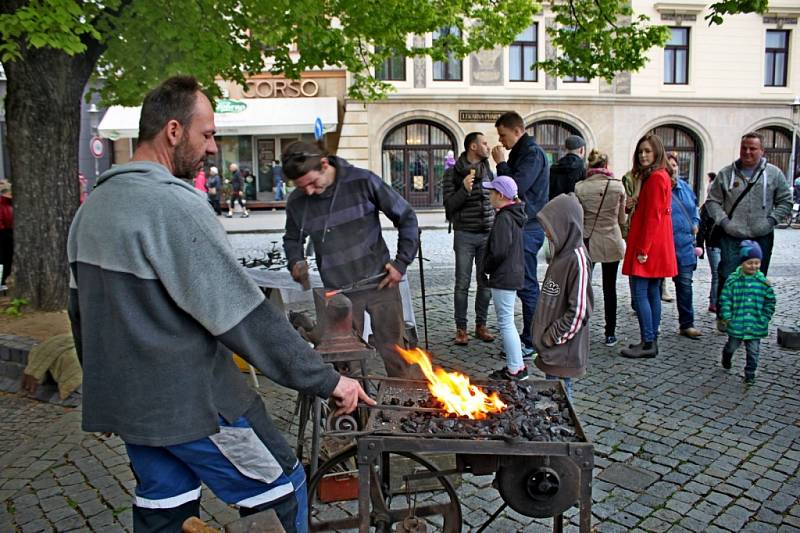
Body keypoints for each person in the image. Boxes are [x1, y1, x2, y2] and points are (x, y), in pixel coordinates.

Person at [67, 75, 371, 533]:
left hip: (135, 407)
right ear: (173, 131)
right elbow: (245, 317)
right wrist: (328, 381)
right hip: (196, 402)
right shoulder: (174, 205)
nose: (212, 148)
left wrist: (107, 396)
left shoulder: (91, 210)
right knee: (281, 489)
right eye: (206, 135)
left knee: (164, 509)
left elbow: (81, 316)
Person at [282, 141, 420, 378]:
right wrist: (295, 260)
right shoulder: (298, 200)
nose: (310, 192)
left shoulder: (363, 181)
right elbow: (292, 239)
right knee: (346, 365)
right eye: (303, 187)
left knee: (396, 355)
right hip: (339, 295)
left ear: (324, 164)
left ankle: (403, 411)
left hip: (381, 283)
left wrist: (401, 263)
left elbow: (406, 217)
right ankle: (356, 412)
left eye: (313, 183)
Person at [705, 132, 792, 331]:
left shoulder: (774, 174)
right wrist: (725, 222)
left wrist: (771, 220)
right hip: (731, 235)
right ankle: (725, 316)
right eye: (744, 147)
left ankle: (751, 317)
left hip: (761, 235)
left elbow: (785, 201)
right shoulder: (727, 173)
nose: (748, 152)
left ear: (762, 151)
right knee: (727, 275)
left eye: (753, 148)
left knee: (757, 277)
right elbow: (712, 201)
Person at [492, 111, 549, 357]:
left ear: (517, 131)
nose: (501, 141)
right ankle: (527, 338)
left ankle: (530, 340)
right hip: (524, 224)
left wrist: (501, 163)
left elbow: (515, 187)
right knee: (523, 281)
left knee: (526, 283)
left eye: (503, 135)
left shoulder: (532, 153)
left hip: (529, 227)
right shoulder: (523, 151)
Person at [620, 134, 677, 359]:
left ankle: (648, 341)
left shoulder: (655, 178)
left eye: (647, 151)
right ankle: (650, 339)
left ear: (656, 153)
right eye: (640, 151)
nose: (643, 155)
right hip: (657, 243)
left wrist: (643, 250)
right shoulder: (659, 176)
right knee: (652, 291)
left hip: (649, 245)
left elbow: (653, 216)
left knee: (642, 293)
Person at [532, 193, 593, 402]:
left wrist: (551, 336)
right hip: (551, 349)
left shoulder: (578, 260)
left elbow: (580, 311)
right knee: (552, 395)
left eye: (550, 226)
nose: (546, 233)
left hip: (562, 350)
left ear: (565, 225)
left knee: (561, 401)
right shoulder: (560, 253)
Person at [443, 132, 496, 345]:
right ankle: (461, 329)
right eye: (484, 143)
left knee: (485, 283)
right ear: (473, 147)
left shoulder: (487, 169)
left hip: (487, 233)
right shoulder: (452, 173)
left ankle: (481, 325)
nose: (488, 146)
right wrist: (464, 190)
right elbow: (449, 207)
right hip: (465, 234)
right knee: (462, 283)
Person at [575, 149, 626, 347]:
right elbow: (622, 219)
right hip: (611, 240)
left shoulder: (580, 187)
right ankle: (610, 333)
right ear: (606, 166)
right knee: (609, 287)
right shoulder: (618, 187)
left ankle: (580, 328)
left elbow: (578, 218)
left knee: (582, 288)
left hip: (588, 240)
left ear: (590, 166)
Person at [481, 176, 526, 380]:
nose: (488, 195)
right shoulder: (513, 214)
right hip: (511, 273)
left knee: (506, 322)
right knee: (508, 321)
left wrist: (487, 267)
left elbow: (498, 251)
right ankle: (516, 366)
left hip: (504, 276)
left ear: (500, 195)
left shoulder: (504, 218)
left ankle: (515, 369)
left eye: (491, 192)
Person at [719, 240, 776, 384]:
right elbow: (725, 298)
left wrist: (765, 317)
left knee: (753, 351)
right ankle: (726, 356)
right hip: (736, 323)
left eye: (757, 263)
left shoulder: (763, 283)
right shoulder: (733, 280)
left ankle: (750, 373)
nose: (753, 266)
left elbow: (770, 301)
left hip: (756, 324)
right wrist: (727, 316)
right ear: (742, 263)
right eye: (750, 263)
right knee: (732, 346)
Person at [666, 152, 701, 339]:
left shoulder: (686, 188)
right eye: (668, 165)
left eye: (674, 164)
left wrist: (695, 222)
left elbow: (695, 210)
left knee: (685, 285)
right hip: (664, 246)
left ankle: (687, 324)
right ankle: (651, 326)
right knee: (655, 286)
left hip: (685, 246)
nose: (672, 168)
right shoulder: (658, 188)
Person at [548, 135, 586, 200]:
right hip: (574, 207)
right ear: (581, 150)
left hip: (554, 206)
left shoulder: (555, 166)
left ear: (566, 149)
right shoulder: (582, 168)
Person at [0, 182, 13, 286]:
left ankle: (2, 280)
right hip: (4, 232)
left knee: (7, 259)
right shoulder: (5, 204)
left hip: (8, 232)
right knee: (3, 259)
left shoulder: (9, 204)